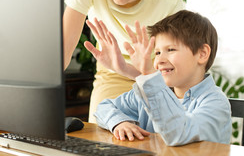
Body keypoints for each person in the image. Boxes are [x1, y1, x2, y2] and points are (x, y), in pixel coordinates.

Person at [62, 0, 185, 123]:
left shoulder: (170, 0)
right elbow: (63, 50)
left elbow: (175, 74)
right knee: (101, 140)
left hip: (157, 79)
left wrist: (137, 71)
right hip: (111, 75)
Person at [86, 10, 232, 146]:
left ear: (202, 54)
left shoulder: (215, 103)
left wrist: (147, 76)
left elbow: (178, 134)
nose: (159, 61)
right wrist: (119, 123)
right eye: (157, 53)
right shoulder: (152, 93)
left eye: (170, 50)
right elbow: (103, 108)